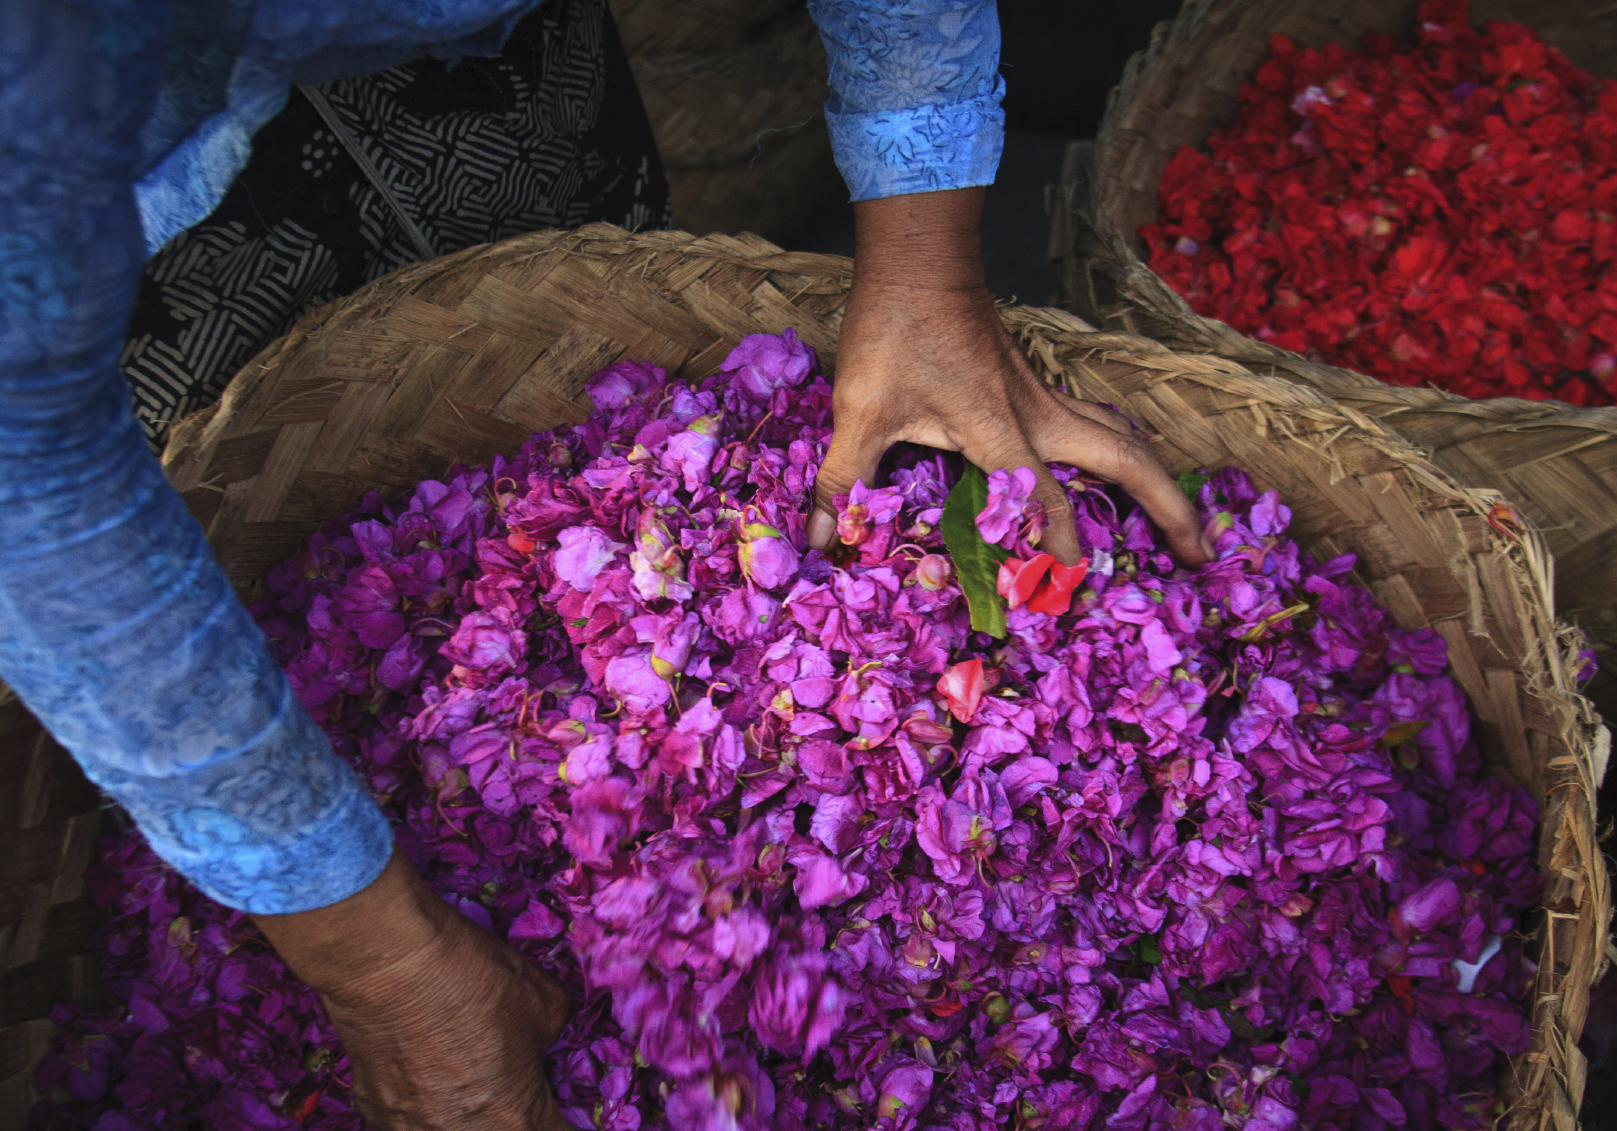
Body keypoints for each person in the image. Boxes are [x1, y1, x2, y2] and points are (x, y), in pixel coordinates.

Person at [0, 1, 1209, 1127]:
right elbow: (24, 467)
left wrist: (927, 259)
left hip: (474, 49)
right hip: (101, 209)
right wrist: (377, 965)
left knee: (545, 219)